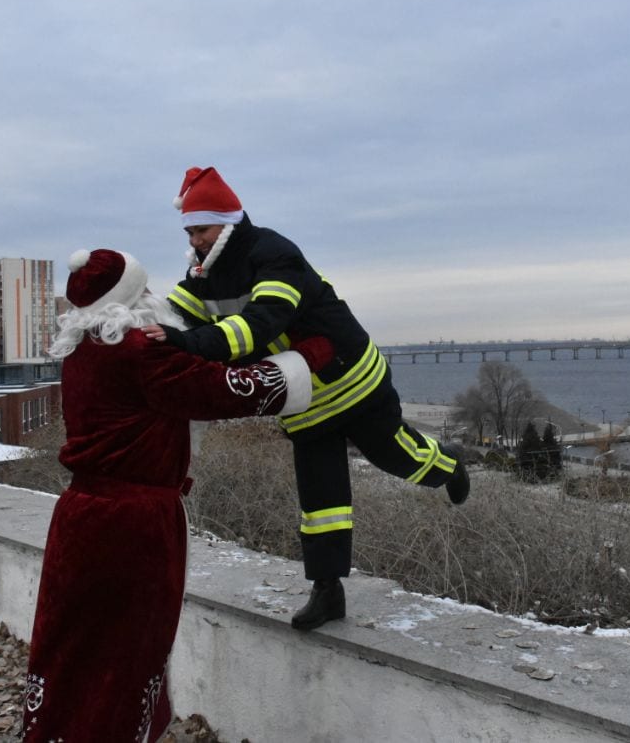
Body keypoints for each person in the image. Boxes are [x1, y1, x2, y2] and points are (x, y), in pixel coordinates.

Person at [22, 247, 332, 742]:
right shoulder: (138, 352)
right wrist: (308, 356)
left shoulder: (83, 349)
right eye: (145, 290)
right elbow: (220, 391)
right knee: (126, 654)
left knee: (72, 647)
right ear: (130, 298)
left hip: (79, 519)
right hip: (131, 528)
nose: (154, 297)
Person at [144, 166, 469, 632]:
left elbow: (261, 324)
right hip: (304, 399)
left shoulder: (274, 253)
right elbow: (176, 315)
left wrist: (186, 344)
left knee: (394, 455)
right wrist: (134, 330)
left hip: (353, 380)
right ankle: (327, 591)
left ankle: (449, 467)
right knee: (321, 501)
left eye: (201, 229)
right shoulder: (204, 272)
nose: (194, 240)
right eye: (190, 231)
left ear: (227, 223)